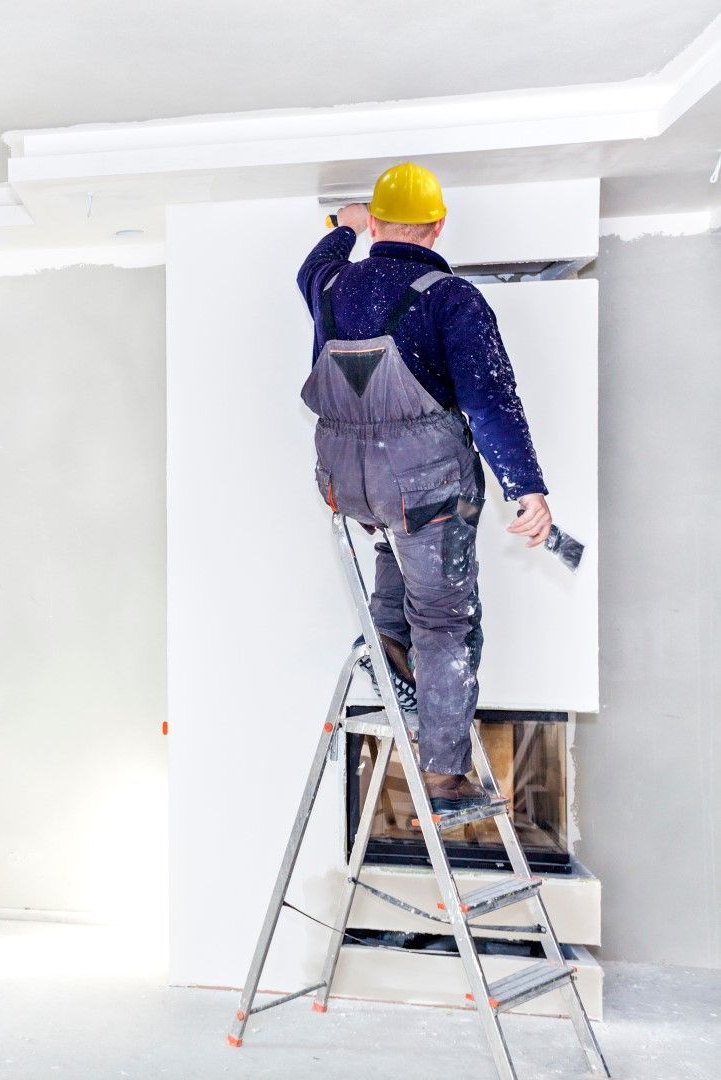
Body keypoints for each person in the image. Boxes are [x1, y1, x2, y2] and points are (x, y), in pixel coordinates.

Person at [297, 162, 554, 814]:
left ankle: (385, 639)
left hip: (346, 485)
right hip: (420, 485)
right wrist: (525, 487)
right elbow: (491, 400)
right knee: (446, 622)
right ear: (438, 225)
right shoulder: (451, 298)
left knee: (396, 533)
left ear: (377, 222)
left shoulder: (333, 285)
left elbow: (309, 269)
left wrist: (342, 229)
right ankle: (446, 778)